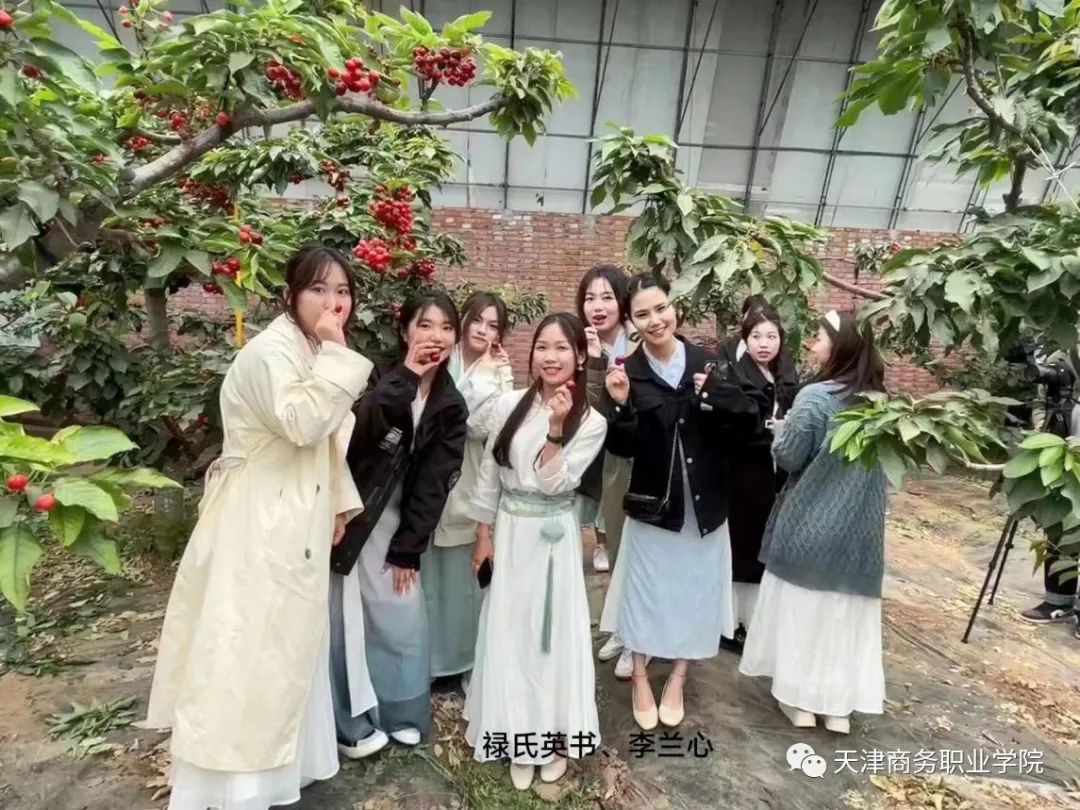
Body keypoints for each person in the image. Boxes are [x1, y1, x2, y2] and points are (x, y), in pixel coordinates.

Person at [145, 245, 374, 810]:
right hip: (257, 519)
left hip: (294, 513)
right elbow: (303, 423)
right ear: (290, 295)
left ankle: (284, 771)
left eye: (342, 292)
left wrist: (337, 505)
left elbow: (323, 443)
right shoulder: (270, 353)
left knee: (287, 648)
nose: (333, 303)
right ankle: (231, 788)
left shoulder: (310, 349)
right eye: (318, 289)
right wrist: (340, 355)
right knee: (245, 646)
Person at [602, 273, 762, 731]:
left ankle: (677, 678)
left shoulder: (710, 364)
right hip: (654, 506)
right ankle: (639, 676)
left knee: (695, 594)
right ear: (631, 322)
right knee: (645, 592)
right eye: (642, 314)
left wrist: (718, 394)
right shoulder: (629, 372)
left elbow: (749, 424)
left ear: (675, 308)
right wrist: (620, 406)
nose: (655, 320)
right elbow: (623, 447)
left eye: (661, 308)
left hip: (705, 505)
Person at [464, 313, 608, 792]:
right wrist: (483, 533)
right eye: (543, 347)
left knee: (550, 638)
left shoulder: (592, 421)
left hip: (553, 539)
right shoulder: (510, 404)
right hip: (510, 531)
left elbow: (555, 483)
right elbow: (490, 471)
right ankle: (514, 735)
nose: (550, 357)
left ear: (580, 356)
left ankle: (551, 738)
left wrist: (556, 429)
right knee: (511, 633)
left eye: (562, 348)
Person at [328, 291, 468, 758]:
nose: (436, 336)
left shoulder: (450, 404)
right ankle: (348, 721)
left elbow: (435, 482)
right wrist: (407, 374)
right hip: (351, 510)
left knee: (400, 611)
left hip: (398, 518)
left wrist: (409, 546)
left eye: (446, 327)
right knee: (343, 617)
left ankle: (401, 713)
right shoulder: (377, 376)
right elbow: (360, 437)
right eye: (425, 325)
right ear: (405, 330)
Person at [739, 310, 887, 735]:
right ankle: (836, 708)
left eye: (819, 337)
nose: (812, 344)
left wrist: (781, 433)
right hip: (861, 533)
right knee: (843, 619)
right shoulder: (883, 403)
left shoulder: (816, 397)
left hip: (811, 524)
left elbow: (789, 456)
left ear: (840, 345)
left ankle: (798, 701)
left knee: (803, 615)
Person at [427, 292, 514, 688]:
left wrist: (488, 377)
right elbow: (442, 411)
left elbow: (482, 426)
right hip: (433, 476)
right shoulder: (445, 358)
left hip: (472, 476)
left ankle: (468, 663)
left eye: (493, 325)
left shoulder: (500, 370)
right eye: (477, 320)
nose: (483, 330)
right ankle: (432, 661)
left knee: (468, 580)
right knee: (432, 579)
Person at [722, 305, 800, 653]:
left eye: (771, 336)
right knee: (742, 545)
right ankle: (731, 623)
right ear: (745, 339)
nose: (764, 344)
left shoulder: (785, 372)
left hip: (776, 475)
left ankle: (756, 623)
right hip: (743, 474)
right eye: (756, 336)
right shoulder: (735, 374)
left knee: (763, 546)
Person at [1018, 344, 1080, 640]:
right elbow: (1041, 402)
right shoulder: (1062, 355)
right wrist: (1043, 434)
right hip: (1062, 453)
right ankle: (1057, 602)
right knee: (1058, 524)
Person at [576, 264, 634, 575]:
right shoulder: (578, 342)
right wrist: (595, 360)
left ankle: (612, 541)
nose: (597, 307)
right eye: (590, 298)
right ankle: (599, 541)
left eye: (607, 297)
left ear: (622, 301)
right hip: (593, 432)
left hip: (629, 434)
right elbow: (588, 403)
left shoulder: (638, 340)